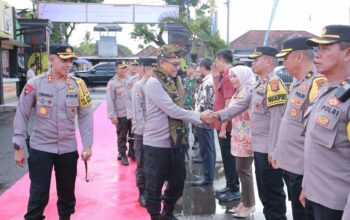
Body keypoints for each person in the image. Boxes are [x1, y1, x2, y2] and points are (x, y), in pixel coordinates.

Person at [13, 44, 93, 220]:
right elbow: (22, 115)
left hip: (67, 149)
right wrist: (18, 146)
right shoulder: (34, 84)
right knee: (38, 194)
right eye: (64, 60)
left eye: (71, 60)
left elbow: (86, 116)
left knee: (67, 194)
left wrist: (87, 145)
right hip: (41, 148)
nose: (68, 64)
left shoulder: (79, 85)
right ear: (51, 59)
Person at [210, 46, 288, 220]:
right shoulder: (260, 84)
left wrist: (274, 150)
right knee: (265, 193)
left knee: (273, 194)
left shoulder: (274, 85)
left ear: (268, 61)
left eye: (256, 59)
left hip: (269, 149)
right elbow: (240, 105)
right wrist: (217, 115)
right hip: (259, 147)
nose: (253, 62)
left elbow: (277, 121)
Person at [142, 43, 211, 220]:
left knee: (178, 182)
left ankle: (168, 212)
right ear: (162, 62)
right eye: (174, 64)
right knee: (154, 186)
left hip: (176, 141)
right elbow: (172, 109)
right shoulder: (153, 83)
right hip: (157, 144)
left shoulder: (176, 81)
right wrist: (198, 116)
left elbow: (181, 107)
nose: (177, 68)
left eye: (179, 64)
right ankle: (155, 216)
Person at [272, 36, 327, 220]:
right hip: (291, 165)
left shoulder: (316, 84)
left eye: (285, 57)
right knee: (297, 212)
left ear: (299, 57)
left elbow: (315, 135)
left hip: (303, 170)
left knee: (303, 214)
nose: (282, 62)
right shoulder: (298, 82)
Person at [299, 24, 350, 220]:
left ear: (347, 54)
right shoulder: (326, 90)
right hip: (314, 197)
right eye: (317, 49)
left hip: (337, 206)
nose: (317, 55)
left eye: (325, 49)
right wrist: (307, 186)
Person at [226, 65, 256, 217]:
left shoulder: (250, 90)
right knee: (242, 170)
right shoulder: (240, 90)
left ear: (243, 76)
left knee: (243, 171)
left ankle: (249, 204)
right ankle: (244, 202)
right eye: (231, 76)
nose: (232, 80)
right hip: (239, 135)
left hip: (247, 137)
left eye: (235, 76)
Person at [212, 49, 240, 203]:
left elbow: (229, 102)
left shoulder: (229, 75)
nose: (215, 64)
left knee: (230, 159)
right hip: (222, 124)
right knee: (227, 158)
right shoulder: (224, 75)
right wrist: (215, 77)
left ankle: (234, 189)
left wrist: (223, 127)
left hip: (226, 126)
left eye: (216, 61)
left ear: (221, 59)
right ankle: (230, 185)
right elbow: (220, 95)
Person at [131, 57, 157, 207]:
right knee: (142, 164)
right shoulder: (139, 86)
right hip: (143, 132)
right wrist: (145, 131)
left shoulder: (157, 84)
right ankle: (142, 193)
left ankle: (153, 190)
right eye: (150, 69)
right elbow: (138, 112)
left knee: (154, 164)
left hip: (156, 131)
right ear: (144, 69)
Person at [191, 57, 216, 186]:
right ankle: (207, 175)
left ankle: (207, 178)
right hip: (204, 119)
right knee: (208, 149)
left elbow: (206, 103)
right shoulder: (207, 80)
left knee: (207, 151)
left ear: (202, 67)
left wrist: (198, 117)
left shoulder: (208, 82)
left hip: (204, 120)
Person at [107, 60, 131, 166]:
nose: (124, 69)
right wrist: (112, 116)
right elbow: (110, 100)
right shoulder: (112, 83)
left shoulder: (130, 80)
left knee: (133, 134)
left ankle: (132, 152)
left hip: (131, 113)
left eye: (125, 67)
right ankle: (122, 154)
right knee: (122, 136)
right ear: (116, 69)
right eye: (121, 67)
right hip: (121, 114)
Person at [125, 59, 140, 161]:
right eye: (132, 65)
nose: (134, 67)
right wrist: (131, 115)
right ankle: (131, 151)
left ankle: (135, 152)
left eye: (136, 65)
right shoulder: (131, 80)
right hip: (133, 113)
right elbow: (128, 99)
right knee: (131, 133)